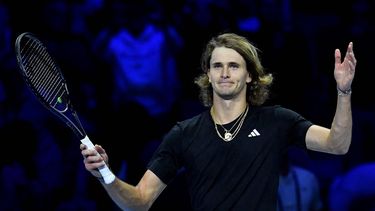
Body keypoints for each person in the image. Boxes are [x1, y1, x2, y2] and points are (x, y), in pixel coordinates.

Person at [81, 32, 356, 210]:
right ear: (208, 76)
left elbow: (337, 144)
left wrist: (343, 91)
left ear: (249, 75)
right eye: (217, 66)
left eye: (234, 66)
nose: (224, 73)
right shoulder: (184, 134)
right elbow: (139, 202)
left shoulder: (277, 121)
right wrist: (105, 174)